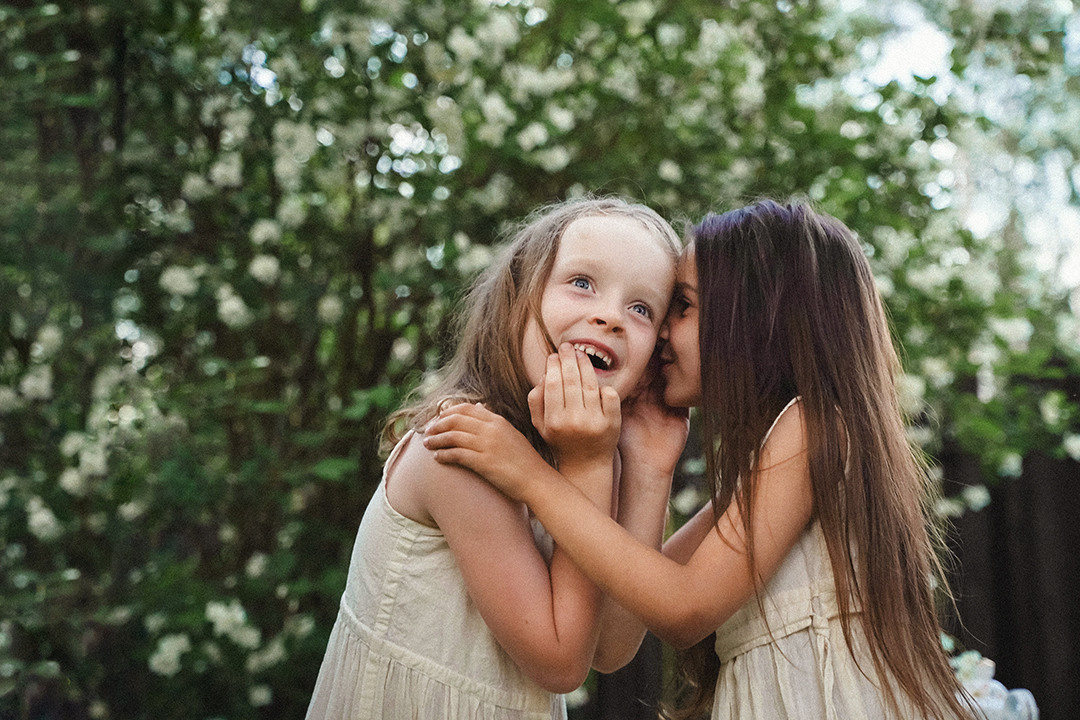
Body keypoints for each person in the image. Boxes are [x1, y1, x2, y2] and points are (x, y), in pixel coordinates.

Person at [424, 198, 979, 719]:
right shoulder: (780, 447)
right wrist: (649, 468)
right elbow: (629, 619)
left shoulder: (816, 425)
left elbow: (684, 610)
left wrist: (529, 477)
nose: (660, 330)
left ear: (759, 319)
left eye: (682, 307)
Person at [305, 196, 681, 720]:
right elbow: (562, 663)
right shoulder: (462, 447)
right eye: (581, 283)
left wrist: (647, 468)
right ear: (517, 300)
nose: (610, 317)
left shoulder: (579, 458)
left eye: (642, 309)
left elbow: (610, 649)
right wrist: (589, 468)